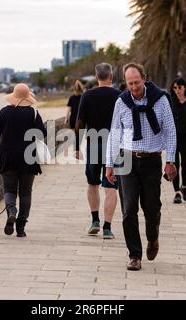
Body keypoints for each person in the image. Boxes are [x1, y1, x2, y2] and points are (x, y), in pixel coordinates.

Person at [105, 62, 177, 271]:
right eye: (130, 83)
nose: (134, 87)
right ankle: (134, 255)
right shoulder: (122, 102)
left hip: (152, 159)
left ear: (144, 78)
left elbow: (170, 131)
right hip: (126, 159)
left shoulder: (160, 99)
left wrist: (170, 161)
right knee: (129, 209)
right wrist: (109, 164)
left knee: (152, 208)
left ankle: (152, 238)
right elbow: (115, 133)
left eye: (137, 82)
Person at [0, 83, 47, 238]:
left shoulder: (4, 112)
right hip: (29, 157)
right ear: (28, 97)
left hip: (8, 157)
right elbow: (42, 134)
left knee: (9, 190)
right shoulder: (33, 113)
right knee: (26, 193)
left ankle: (11, 211)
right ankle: (21, 227)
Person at [75, 63, 122, 239]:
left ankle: (95, 221)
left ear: (96, 77)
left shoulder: (87, 95)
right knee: (111, 187)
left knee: (92, 183)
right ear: (111, 76)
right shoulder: (120, 96)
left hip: (94, 143)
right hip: (115, 146)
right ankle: (107, 227)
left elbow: (80, 122)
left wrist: (77, 147)